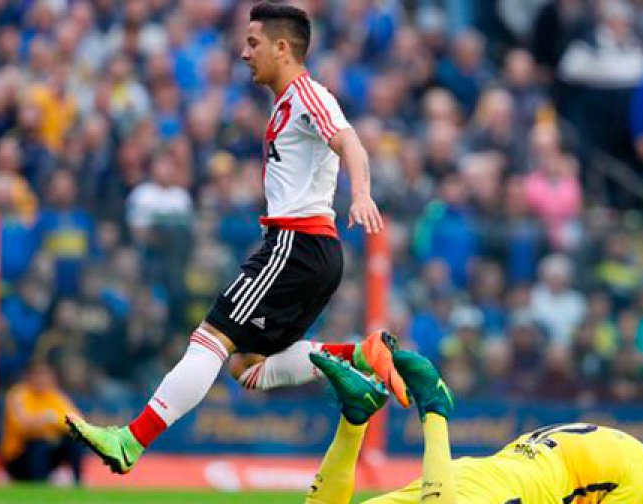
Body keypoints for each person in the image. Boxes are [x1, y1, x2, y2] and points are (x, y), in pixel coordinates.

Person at [66, 2, 408, 475]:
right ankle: (359, 354)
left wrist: (363, 195)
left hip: (295, 245)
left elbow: (350, 142)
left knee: (210, 339)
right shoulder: (290, 102)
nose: (244, 53)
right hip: (315, 252)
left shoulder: (308, 96)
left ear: (282, 47)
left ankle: (131, 440)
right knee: (247, 368)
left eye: (253, 43)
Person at [297, 350, 643, 504]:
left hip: (470, 477)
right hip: (519, 495)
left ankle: (354, 418)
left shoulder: (602, 437)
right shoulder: (641, 472)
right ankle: (435, 410)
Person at [0, 361, 83, 484]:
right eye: (37, 375)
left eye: (45, 376)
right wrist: (48, 424)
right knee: (39, 445)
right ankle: (37, 483)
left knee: (73, 441)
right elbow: (23, 427)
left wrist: (51, 421)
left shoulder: (55, 396)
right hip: (18, 456)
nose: (41, 380)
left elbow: (78, 424)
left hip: (47, 451)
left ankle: (78, 481)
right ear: (29, 377)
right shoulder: (18, 395)